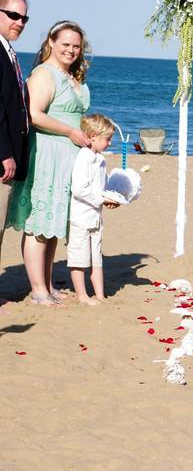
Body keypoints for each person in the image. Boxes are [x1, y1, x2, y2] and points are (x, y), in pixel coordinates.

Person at [7, 21, 91, 307]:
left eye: (76, 46)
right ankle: (38, 290)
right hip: (47, 155)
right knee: (39, 224)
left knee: (53, 225)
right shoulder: (44, 74)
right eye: (65, 44)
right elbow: (33, 114)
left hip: (69, 157)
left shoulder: (70, 76)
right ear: (51, 43)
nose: (70, 50)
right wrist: (70, 132)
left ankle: (49, 283)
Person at [0, 0, 30, 316]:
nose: (19, 23)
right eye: (13, 15)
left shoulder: (9, 53)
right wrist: (4, 152)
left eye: (24, 18)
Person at [68, 114, 118, 305]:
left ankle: (100, 294)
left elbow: (102, 185)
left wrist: (112, 197)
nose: (110, 143)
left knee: (97, 258)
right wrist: (101, 199)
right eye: (107, 139)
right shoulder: (84, 158)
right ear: (92, 137)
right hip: (81, 217)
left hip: (96, 218)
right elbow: (79, 189)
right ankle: (81, 295)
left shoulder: (100, 159)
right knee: (79, 257)